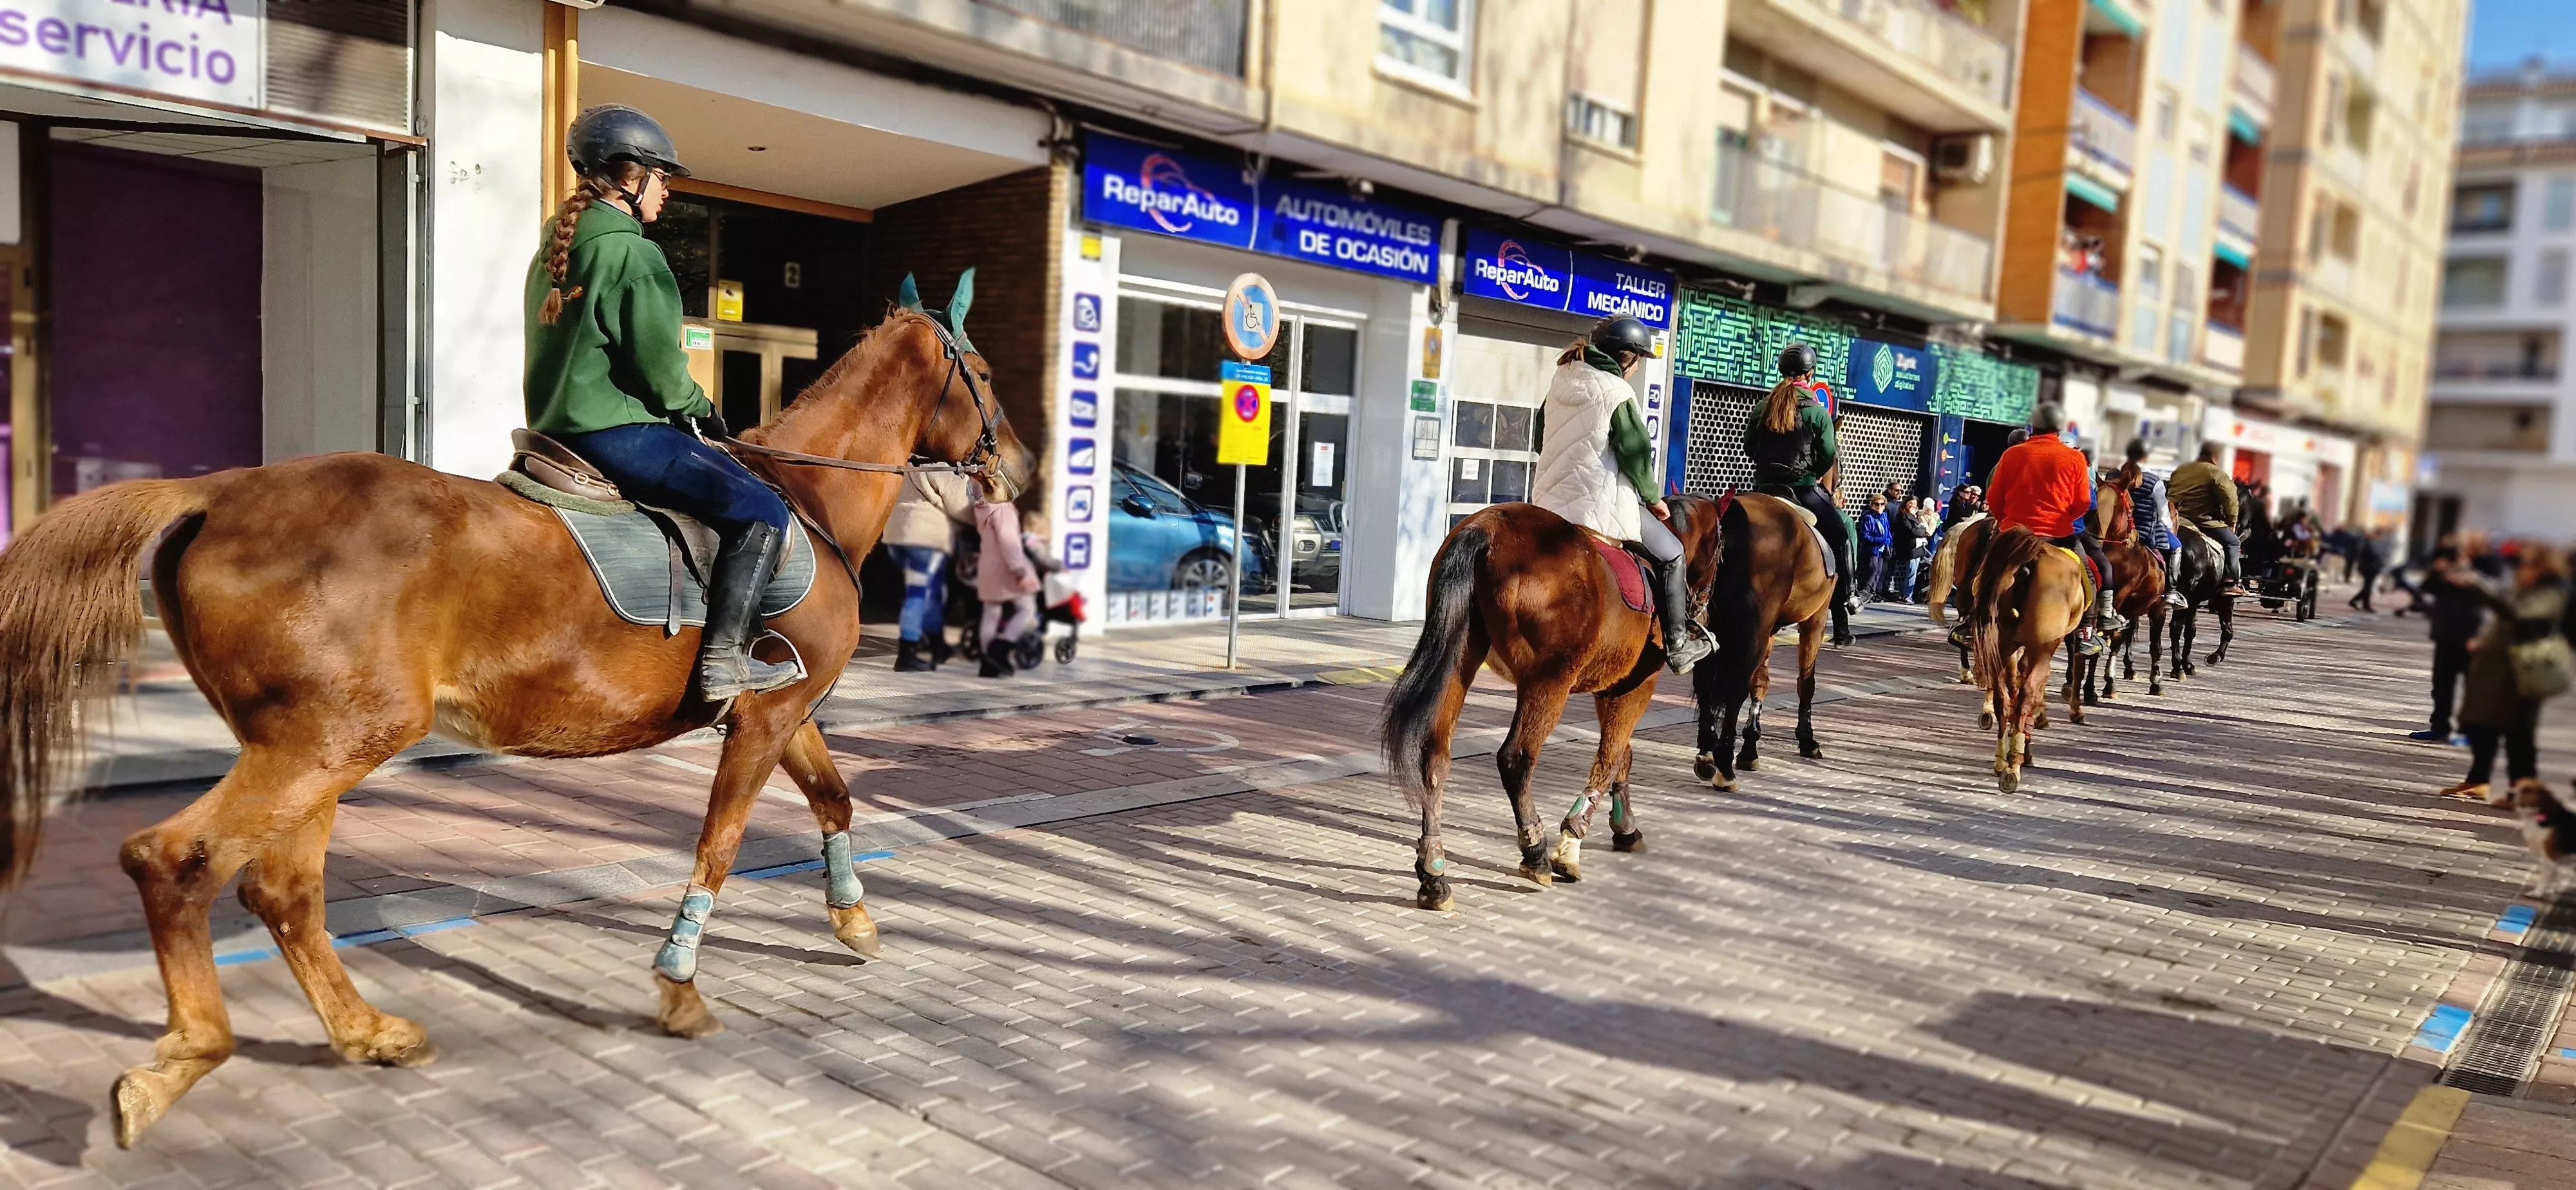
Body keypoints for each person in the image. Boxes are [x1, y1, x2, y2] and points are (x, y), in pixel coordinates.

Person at [525, 106, 800, 700]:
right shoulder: (633, 253)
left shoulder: (560, 245)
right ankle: (726, 659)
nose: (669, 191)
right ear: (629, 178)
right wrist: (701, 405)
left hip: (557, 429)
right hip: (617, 429)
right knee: (764, 510)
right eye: (662, 177)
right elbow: (658, 370)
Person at [1533, 316, 1714, 672]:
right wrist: (1654, 499)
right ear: (1627, 358)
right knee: (1673, 553)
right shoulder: (1617, 392)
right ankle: (1678, 644)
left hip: (1549, 503)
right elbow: (1635, 453)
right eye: (1638, 360)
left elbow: (1539, 437)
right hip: (1597, 504)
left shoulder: (1563, 379)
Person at [1984, 402, 2125, 655]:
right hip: (2058, 534)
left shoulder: (2012, 454)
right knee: (2090, 573)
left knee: (1982, 570)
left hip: (2013, 533)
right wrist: (2063, 519)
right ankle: (2086, 631)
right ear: (2059, 428)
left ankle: (1968, 620)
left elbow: (1994, 498)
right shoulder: (2075, 458)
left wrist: (2006, 520)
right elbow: (2083, 503)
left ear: (2033, 426)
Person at [1744, 343, 1859, 644]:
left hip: (1763, 489)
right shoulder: (1817, 412)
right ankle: (1848, 594)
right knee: (1842, 529)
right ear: (1811, 374)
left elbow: (1750, 448)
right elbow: (1827, 456)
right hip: (1803, 488)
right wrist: (1814, 472)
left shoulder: (1762, 407)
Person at [2437, 544, 2569, 802]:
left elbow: (2518, 613)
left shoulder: (2554, 590)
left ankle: (2520, 793)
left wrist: (2480, 586)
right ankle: (2478, 780)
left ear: (2543, 566)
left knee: (2519, 736)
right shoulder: (2528, 588)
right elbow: (2506, 619)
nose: (2522, 569)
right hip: (2501, 672)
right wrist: (2485, 642)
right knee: (2483, 726)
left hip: (2525, 672)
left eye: (2528, 564)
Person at [883, 469, 977, 672]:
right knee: (918, 594)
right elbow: (961, 507)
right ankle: (907, 654)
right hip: (924, 540)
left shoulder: (908, 457)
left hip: (896, 535)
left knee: (932, 594)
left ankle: (938, 645)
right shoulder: (941, 463)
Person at [2413, 534, 2487, 742]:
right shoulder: (2446, 571)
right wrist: (2438, 571)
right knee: (2441, 685)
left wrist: (2471, 575)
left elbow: (2497, 593)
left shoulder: (2488, 566)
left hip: (2473, 638)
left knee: (2473, 688)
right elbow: (2426, 589)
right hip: (2446, 636)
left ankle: (2471, 732)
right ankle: (2440, 726)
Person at [972, 478, 1041, 679]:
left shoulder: (982, 507)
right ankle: (1000, 649)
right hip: (1006, 567)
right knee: (1027, 610)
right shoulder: (1002, 509)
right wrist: (1019, 569)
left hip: (988, 565)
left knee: (991, 613)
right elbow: (1009, 542)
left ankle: (988, 664)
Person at [2166, 443, 2247, 597]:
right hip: (2205, 522)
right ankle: (2230, 582)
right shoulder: (2216, 473)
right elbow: (2230, 499)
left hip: (2179, 520)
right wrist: (2233, 521)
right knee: (2233, 542)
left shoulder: (2180, 471)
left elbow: (2171, 496)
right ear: (2215, 457)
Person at [1857, 493, 1893, 605]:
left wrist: (1889, 539)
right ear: (1872, 505)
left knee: (1879, 571)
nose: (1880, 507)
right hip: (1872, 549)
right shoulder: (1868, 517)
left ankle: (1873, 592)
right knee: (1872, 569)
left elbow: (1887, 530)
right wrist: (1880, 540)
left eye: (1882, 504)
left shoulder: (1884, 516)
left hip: (1882, 549)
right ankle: (1865, 591)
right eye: (1877, 504)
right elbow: (1864, 535)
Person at [2350, 531, 2386, 612]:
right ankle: (2364, 604)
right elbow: (2370, 556)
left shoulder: (2371, 543)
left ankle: (2358, 602)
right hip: (2368, 568)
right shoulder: (2367, 544)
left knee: (2367, 587)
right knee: (2368, 587)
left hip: (2371, 568)